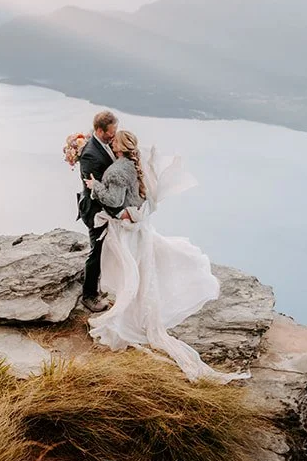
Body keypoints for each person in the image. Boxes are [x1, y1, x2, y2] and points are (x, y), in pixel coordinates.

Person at [83, 129, 247, 384]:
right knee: (139, 273)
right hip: (140, 229)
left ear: (118, 147)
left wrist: (95, 187)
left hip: (126, 232)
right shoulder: (135, 167)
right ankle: (136, 312)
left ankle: (124, 319)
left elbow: (114, 201)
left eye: (113, 140)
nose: (110, 141)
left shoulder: (116, 171)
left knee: (130, 276)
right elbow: (142, 200)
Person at [71, 109, 119, 313]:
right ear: (100, 130)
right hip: (95, 211)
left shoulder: (101, 143)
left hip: (102, 208)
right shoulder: (91, 155)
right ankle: (89, 295)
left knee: (103, 250)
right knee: (96, 252)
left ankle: (96, 284)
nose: (114, 135)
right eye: (111, 132)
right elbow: (97, 189)